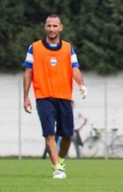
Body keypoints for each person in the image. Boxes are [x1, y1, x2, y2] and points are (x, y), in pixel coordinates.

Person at [24, 14, 87, 179]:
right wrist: (26, 96)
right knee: (49, 134)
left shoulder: (68, 48)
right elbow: (28, 72)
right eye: (49, 26)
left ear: (61, 28)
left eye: (54, 26)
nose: (51, 29)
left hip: (64, 97)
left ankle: (60, 160)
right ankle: (57, 168)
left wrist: (81, 85)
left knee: (67, 135)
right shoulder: (34, 48)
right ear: (45, 27)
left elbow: (75, 68)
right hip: (43, 97)